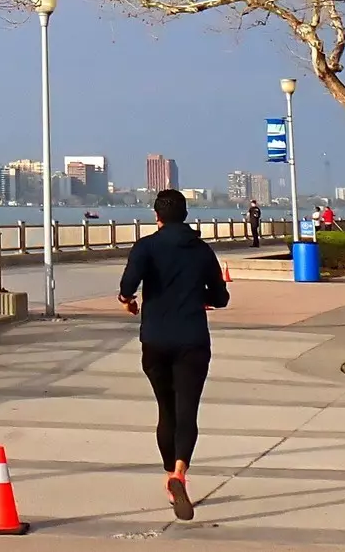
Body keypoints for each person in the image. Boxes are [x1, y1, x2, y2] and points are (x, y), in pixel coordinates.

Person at [119, 188, 229, 522]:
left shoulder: (147, 246)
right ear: (185, 215)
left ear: (157, 216)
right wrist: (203, 296)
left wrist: (129, 301)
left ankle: (169, 475)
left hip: (155, 340)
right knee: (187, 411)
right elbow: (221, 296)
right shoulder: (201, 251)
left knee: (166, 410)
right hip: (193, 340)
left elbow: (127, 285)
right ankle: (179, 473)